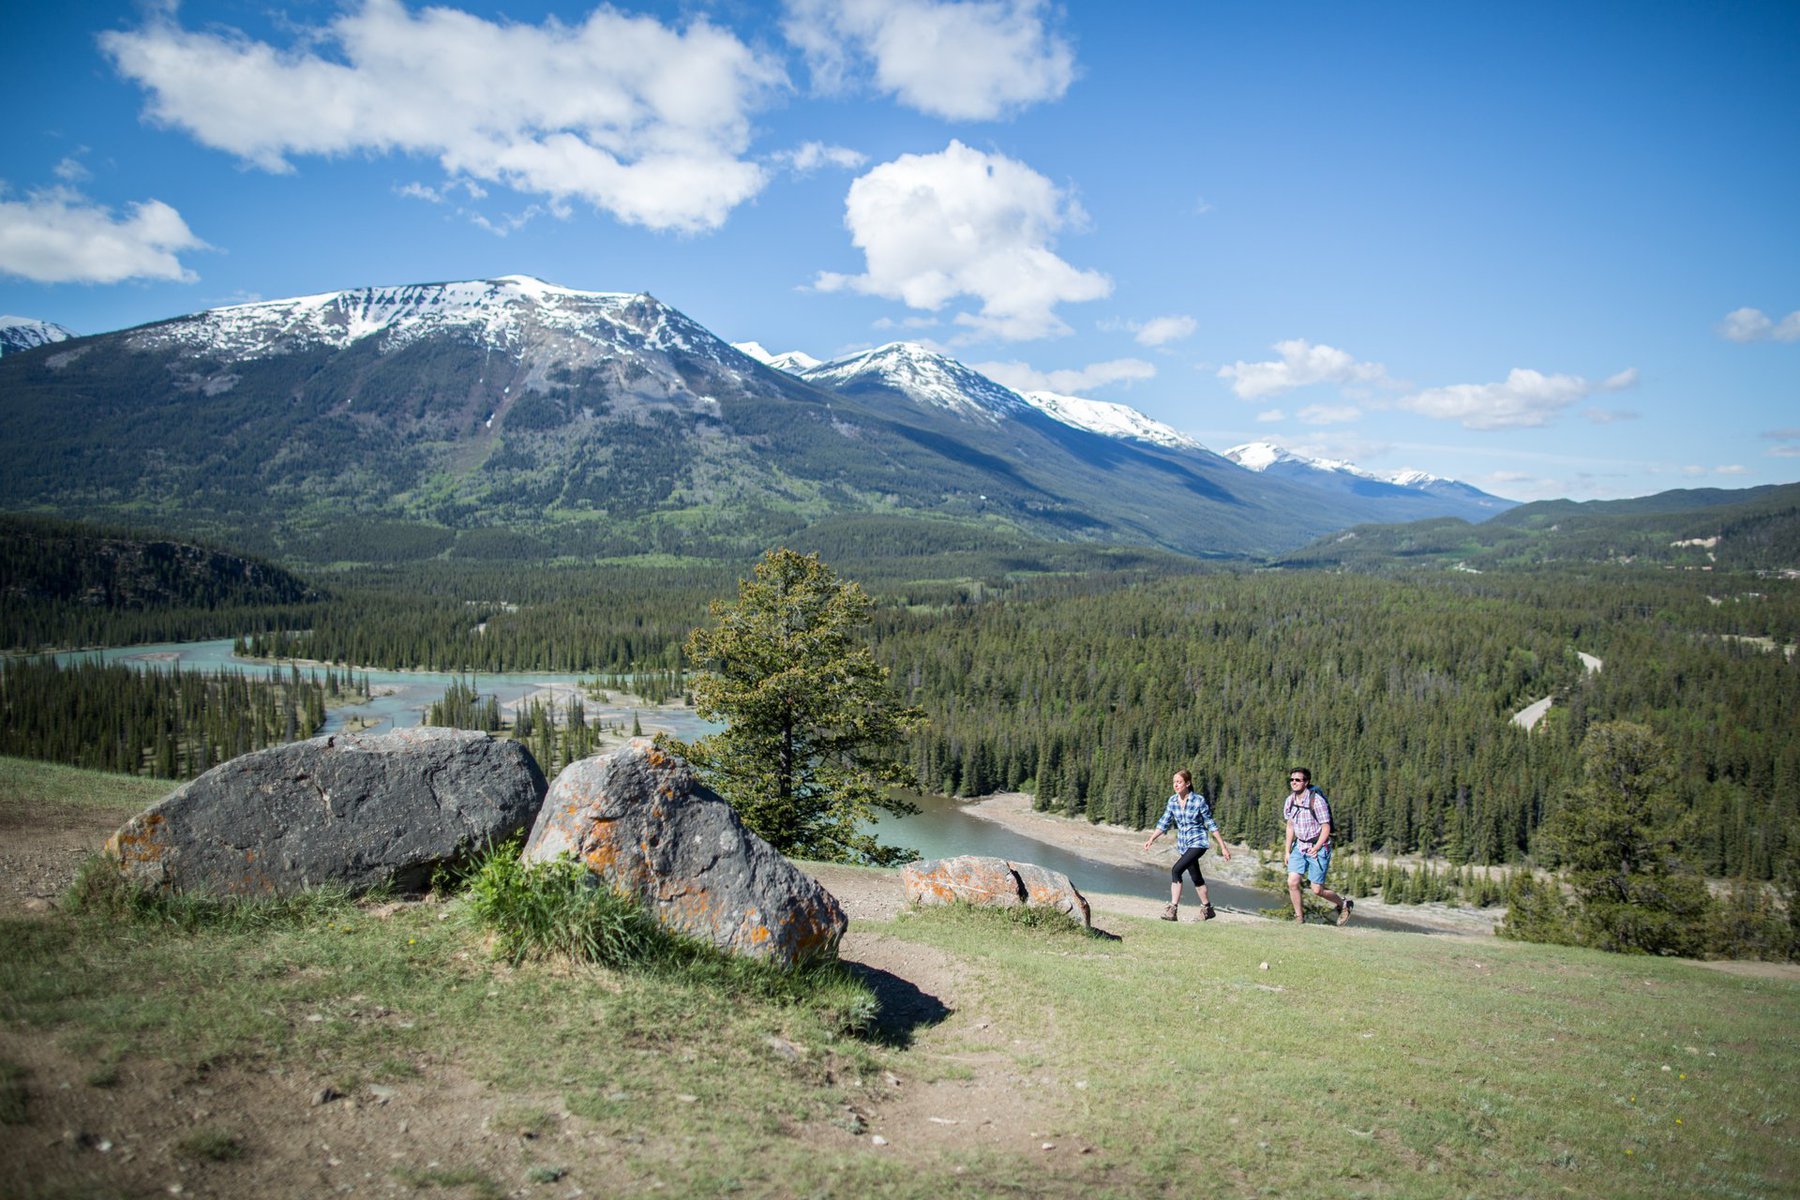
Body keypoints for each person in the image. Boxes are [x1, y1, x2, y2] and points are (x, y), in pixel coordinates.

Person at [1141, 769, 1232, 921]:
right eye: (1174, 782)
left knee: (1176, 870)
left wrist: (1223, 847)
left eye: (1179, 782)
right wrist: (1151, 839)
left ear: (1188, 783)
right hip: (1184, 844)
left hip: (1198, 842)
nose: (1175, 785)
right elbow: (1164, 822)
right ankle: (1208, 908)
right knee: (1196, 876)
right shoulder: (1172, 801)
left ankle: (1172, 910)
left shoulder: (1198, 801)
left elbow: (1210, 823)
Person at [1284, 767, 1352, 925]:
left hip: (1318, 847)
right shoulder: (1290, 800)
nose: (1294, 783)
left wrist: (1316, 848)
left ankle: (1344, 904)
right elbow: (1290, 826)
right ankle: (1299, 918)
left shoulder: (1317, 801)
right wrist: (1287, 851)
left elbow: (1326, 827)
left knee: (1317, 889)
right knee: (1292, 882)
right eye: (1292, 780)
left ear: (1306, 782)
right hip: (1299, 846)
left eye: (1298, 780)